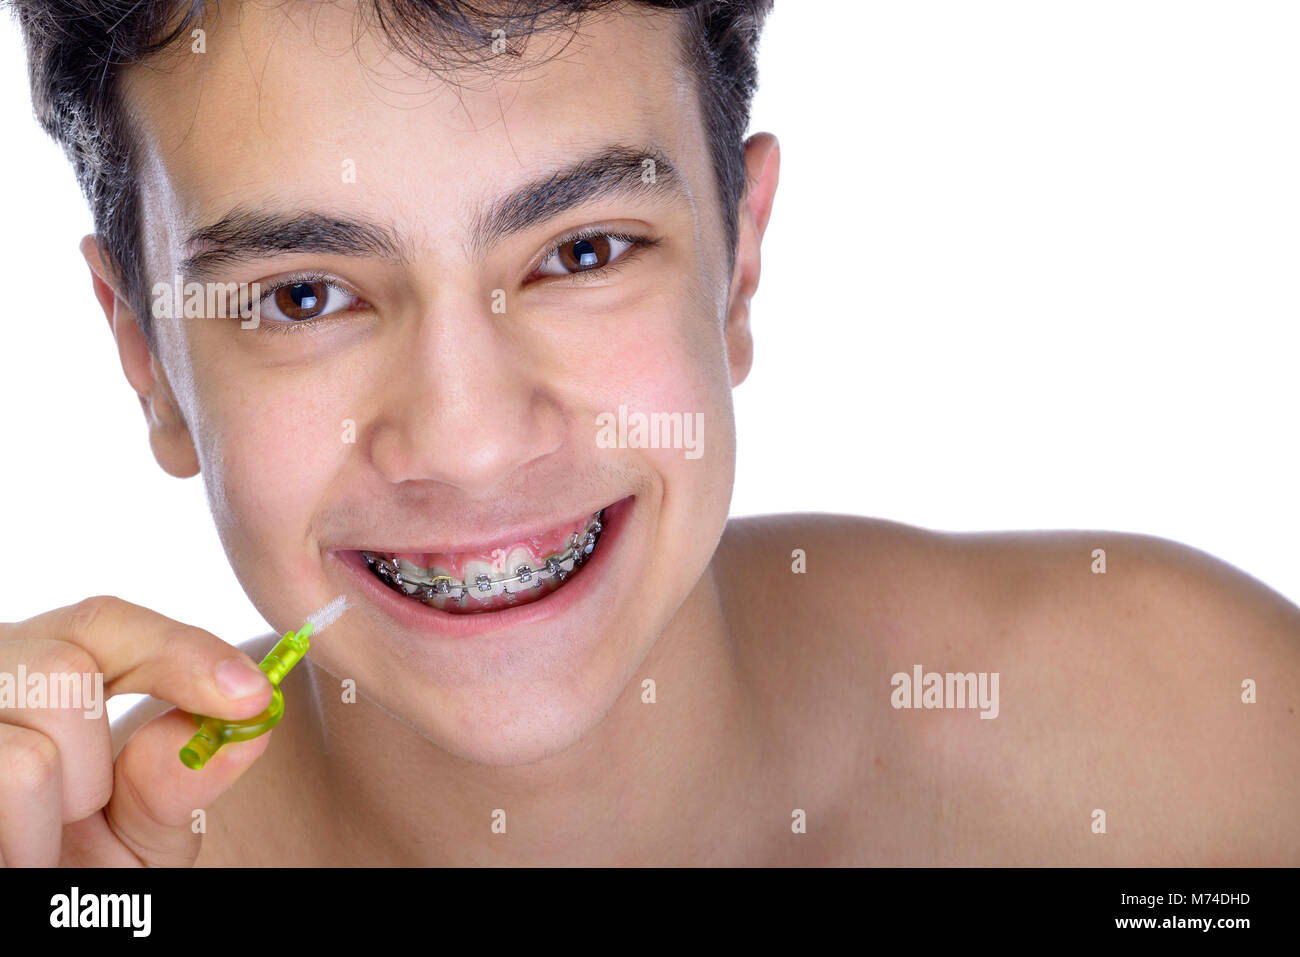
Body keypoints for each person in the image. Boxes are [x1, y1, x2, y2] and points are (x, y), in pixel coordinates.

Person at [2, 0, 1296, 867]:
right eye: (304, 296)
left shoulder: (1206, 751)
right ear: (147, 361)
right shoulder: (78, 873)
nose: (467, 440)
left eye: (582, 251)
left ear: (738, 265)